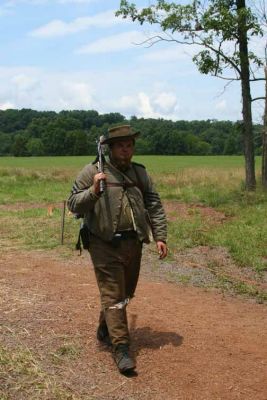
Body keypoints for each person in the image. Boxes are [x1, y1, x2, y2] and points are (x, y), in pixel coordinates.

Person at [67, 125, 167, 374]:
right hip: (104, 244)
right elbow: (73, 204)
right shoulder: (92, 172)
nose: (126, 149)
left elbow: (154, 204)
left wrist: (160, 236)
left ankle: (106, 326)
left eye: (130, 144)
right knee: (113, 295)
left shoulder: (140, 173)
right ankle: (121, 348)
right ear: (110, 148)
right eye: (121, 145)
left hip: (134, 243)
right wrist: (93, 191)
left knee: (125, 293)